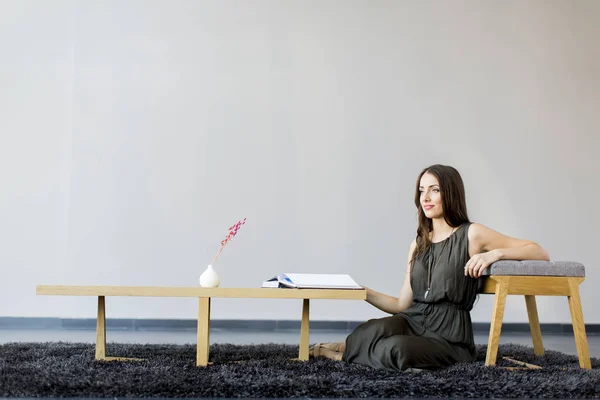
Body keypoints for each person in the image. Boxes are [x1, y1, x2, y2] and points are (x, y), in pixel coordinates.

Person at [309, 164, 550, 371]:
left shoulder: (472, 234)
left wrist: (495, 254)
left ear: (450, 193)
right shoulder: (418, 242)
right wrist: (361, 290)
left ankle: (338, 355)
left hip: (450, 336)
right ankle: (352, 348)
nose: (425, 198)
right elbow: (402, 305)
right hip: (413, 319)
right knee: (370, 329)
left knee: (395, 348)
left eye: (434, 190)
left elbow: (538, 252)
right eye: (422, 190)